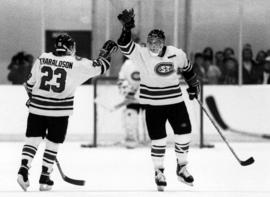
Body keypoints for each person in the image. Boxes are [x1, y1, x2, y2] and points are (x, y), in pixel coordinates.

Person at [17, 33, 118, 192]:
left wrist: (32, 99)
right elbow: (102, 66)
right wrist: (106, 54)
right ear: (70, 48)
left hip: (37, 109)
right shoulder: (76, 63)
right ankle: (45, 175)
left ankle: (23, 169)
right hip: (59, 112)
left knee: (32, 140)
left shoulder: (42, 58)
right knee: (53, 143)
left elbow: (29, 85)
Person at [117, 9, 199, 191]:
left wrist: (194, 86)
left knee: (184, 134)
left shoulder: (177, 54)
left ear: (164, 43)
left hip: (175, 102)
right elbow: (123, 43)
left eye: (157, 42)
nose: (153, 45)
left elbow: (188, 70)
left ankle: (182, 167)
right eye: (150, 42)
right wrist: (127, 28)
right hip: (153, 104)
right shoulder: (140, 53)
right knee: (158, 140)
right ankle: (159, 172)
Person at [118, 56, 142, 148]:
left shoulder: (150, 61)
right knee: (130, 114)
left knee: (154, 116)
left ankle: (156, 139)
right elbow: (121, 80)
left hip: (149, 96)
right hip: (132, 97)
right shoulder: (127, 64)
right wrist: (127, 90)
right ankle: (130, 138)